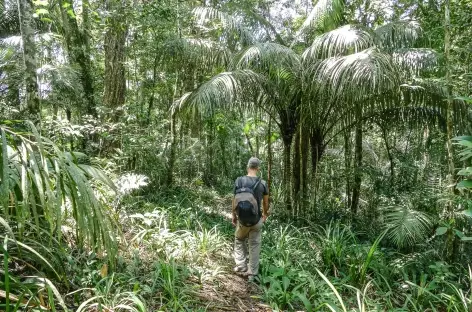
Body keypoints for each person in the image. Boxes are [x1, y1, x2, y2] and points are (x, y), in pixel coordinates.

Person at [232, 157, 269, 281]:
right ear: (258, 168)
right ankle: (252, 273)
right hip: (256, 220)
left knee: (239, 239)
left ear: (247, 167)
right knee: (254, 244)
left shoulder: (239, 181)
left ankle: (241, 266)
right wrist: (265, 215)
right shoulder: (262, 183)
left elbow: (234, 200)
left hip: (242, 220)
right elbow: (265, 203)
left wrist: (234, 216)